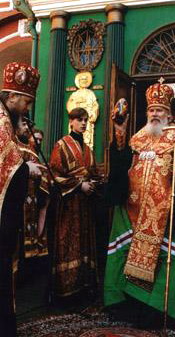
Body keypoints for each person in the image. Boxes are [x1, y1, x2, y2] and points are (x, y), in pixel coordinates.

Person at [104, 80, 175, 327]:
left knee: (159, 263)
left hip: (162, 213)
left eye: (160, 110)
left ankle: (156, 312)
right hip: (133, 210)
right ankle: (128, 308)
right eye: (152, 110)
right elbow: (121, 164)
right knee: (127, 260)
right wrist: (119, 132)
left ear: (169, 114)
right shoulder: (136, 139)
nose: (155, 114)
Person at [0, 62, 40, 336]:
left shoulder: (8, 121)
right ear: (12, 96)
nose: (27, 109)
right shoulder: (1, 121)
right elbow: (6, 163)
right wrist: (28, 168)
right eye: (26, 102)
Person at [48, 107, 100, 302]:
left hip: (85, 205)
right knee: (68, 242)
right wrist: (79, 185)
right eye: (79, 120)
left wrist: (94, 183)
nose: (84, 123)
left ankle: (83, 288)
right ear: (71, 122)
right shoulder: (61, 145)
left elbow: (93, 173)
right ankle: (66, 291)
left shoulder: (88, 150)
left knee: (85, 243)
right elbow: (54, 174)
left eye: (86, 120)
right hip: (69, 204)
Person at [16, 118, 49, 258]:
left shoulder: (34, 154)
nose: (39, 142)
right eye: (23, 124)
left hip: (34, 203)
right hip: (19, 203)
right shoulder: (14, 147)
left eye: (41, 140)